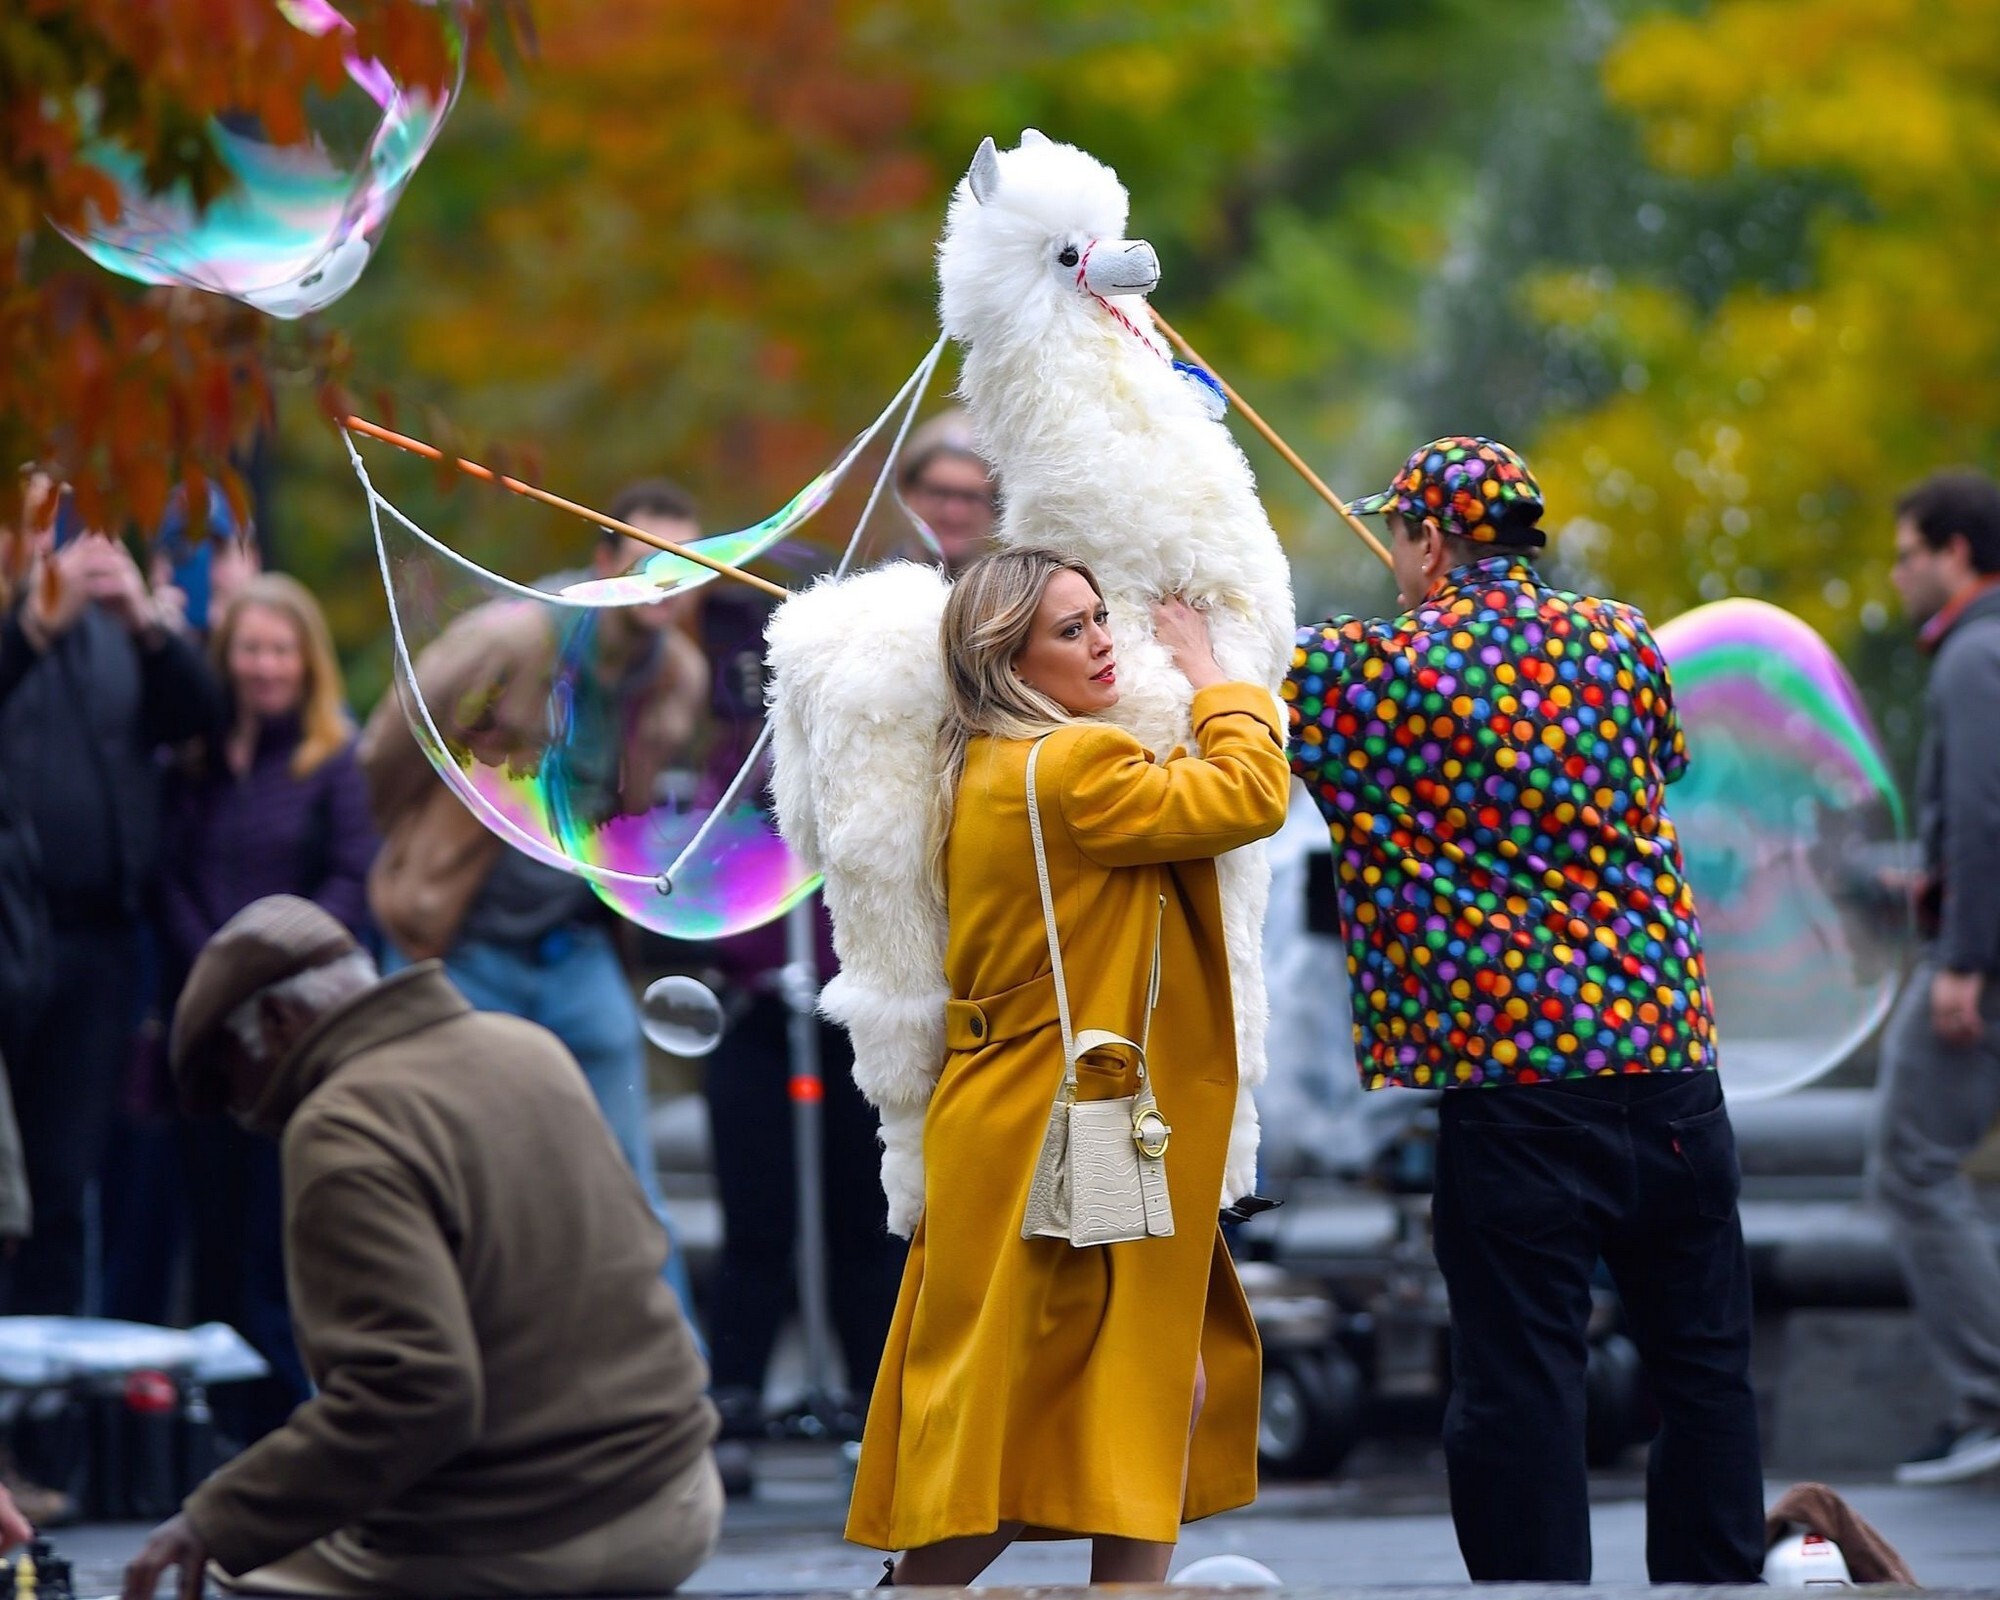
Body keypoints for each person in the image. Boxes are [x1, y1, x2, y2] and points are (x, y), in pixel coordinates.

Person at [1287, 437, 1763, 1583]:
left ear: (1429, 540)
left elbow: (1235, 710)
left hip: (1514, 1090)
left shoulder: (1367, 668)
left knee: (1519, 1376)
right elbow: (1660, 759)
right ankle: (1715, 1582)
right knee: (1702, 1364)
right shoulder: (1622, 637)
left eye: (1397, 534)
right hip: (1666, 1066)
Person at [847, 548, 1289, 1584]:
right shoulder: (1079, 768)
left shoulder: (983, 762)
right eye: (1070, 629)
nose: (1102, 644)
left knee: (1140, 1392)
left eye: (1099, 618)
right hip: (1071, 1130)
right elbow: (1249, 794)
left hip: (1031, 1118)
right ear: (1007, 659)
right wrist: (1213, 675)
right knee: (1051, 1414)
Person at [123, 895, 721, 1600]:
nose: (242, 1112)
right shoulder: (526, 1047)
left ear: (278, 1023)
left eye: (229, 1078)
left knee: (234, 1567)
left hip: (535, 1534)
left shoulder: (344, 1122)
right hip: (679, 1495)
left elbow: (410, 1395)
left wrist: (213, 1519)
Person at [358, 480, 710, 1326]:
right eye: (647, 560)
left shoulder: (678, 676)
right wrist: (416, 859)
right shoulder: (511, 638)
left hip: (574, 950)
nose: (666, 584)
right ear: (603, 559)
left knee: (629, 1183)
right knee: (450, 1181)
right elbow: (384, 752)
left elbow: (629, 817)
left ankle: (676, 1386)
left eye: (688, 566)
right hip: (459, 946)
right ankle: (453, 1376)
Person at [157, 574, 378, 1440]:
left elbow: (353, 876)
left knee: (279, 1232)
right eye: (250, 648)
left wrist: (267, 966)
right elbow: (168, 872)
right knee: (210, 1227)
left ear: (307, 661)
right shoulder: (195, 761)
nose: (265, 665)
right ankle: (221, 1428)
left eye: (281, 649)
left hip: (295, 1034)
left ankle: (294, 1422)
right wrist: (216, 969)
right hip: (206, 1025)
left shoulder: (334, 760)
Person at [0, 477, 221, 1313]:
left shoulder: (115, 629)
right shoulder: (19, 622)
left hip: (96, 945)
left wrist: (145, 624)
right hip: (8, 933)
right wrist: (30, 630)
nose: (49, 540)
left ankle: (47, 1391)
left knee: (63, 1185)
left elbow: (202, 722)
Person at [1877, 468, 2000, 1485]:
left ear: (1956, 552)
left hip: (1982, 961)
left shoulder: (1971, 653)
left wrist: (1962, 959)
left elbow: (1982, 813)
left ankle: (1990, 1398)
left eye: (1908, 554)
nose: (1896, 574)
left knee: (1909, 1160)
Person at [898, 411, 998, 575]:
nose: (954, 512)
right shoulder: (864, 587)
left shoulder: (1015, 591)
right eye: (940, 493)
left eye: (971, 497)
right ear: (908, 496)